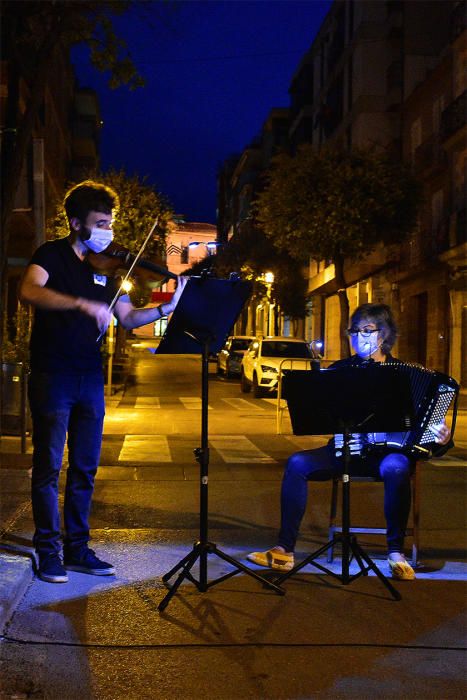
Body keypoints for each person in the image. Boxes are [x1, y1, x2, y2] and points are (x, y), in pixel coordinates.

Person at [19, 180, 187, 584]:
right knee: (47, 468)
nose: (107, 233)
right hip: (53, 374)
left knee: (85, 467)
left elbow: (128, 318)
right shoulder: (51, 255)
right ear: (76, 223)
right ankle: (48, 551)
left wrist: (171, 306)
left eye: (109, 224)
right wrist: (79, 303)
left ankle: (77, 549)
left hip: (89, 378)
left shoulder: (106, 269)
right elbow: (28, 290)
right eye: (99, 223)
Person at [248, 303, 453, 581]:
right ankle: (284, 549)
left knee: (397, 467)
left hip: (387, 457)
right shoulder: (341, 370)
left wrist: (442, 438)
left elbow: (427, 436)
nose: (359, 337)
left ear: (384, 335)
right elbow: (321, 416)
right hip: (346, 450)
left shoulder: (402, 373)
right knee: (297, 463)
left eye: (367, 330)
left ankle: (395, 552)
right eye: (354, 331)